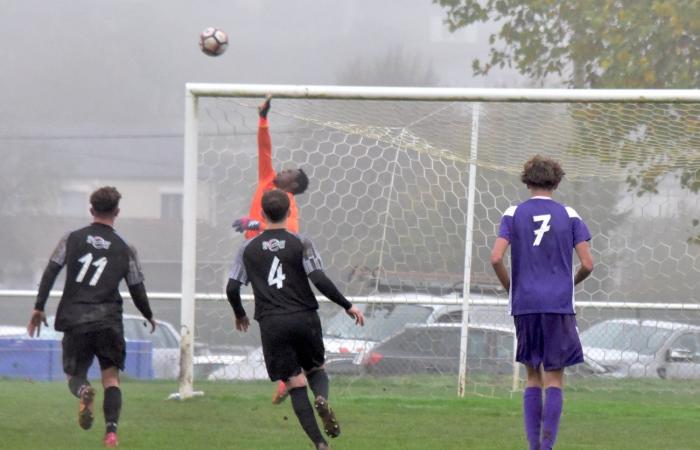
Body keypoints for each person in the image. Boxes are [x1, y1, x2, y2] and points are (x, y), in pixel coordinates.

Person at [226, 189, 365, 450]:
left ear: (263, 214)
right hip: (304, 317)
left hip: (272, 323)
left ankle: (320, 444)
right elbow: (319, 279)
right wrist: (347, 305)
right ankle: (322, 398)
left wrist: (239, 314)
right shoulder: (301, 242)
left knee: (294, 383)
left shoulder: (247, 248)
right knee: (315, 370)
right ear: (289, 212)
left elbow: (232, 288)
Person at [27, 186, 156, 449]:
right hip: (108, 320)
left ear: (91, 210)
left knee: (74, 375)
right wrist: (148, 315)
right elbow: (136, 287)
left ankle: (84, 391)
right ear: (117, 212)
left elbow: (51, 271)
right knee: (110, 379)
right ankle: (111, 434)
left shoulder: (71, 239)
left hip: (75, 319)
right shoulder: (125, 249)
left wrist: (38, 307)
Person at [490, 155, 594, 450]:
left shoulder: (513, 213)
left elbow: (496, 257)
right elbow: (588, 263)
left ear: (526, 180)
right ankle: (547, 447)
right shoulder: (570, 215)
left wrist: (512, 286)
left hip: (525, 303)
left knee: (532, 375)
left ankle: (533, 447)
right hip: (558, 305)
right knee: (555, 379)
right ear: (557, 181)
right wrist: (567, 284)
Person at [232, 94, 310, 405]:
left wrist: (255, 224)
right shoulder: (267, 179)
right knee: (265, 311)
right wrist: (263, 118)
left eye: (289, 171)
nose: (283, 169)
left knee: (275, 312)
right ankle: (286, 376)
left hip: (272, 256)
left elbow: (290, 233)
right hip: (253, 251)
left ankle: (290, 375)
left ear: (293, 186)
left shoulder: (288, 202)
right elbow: (264, 148)